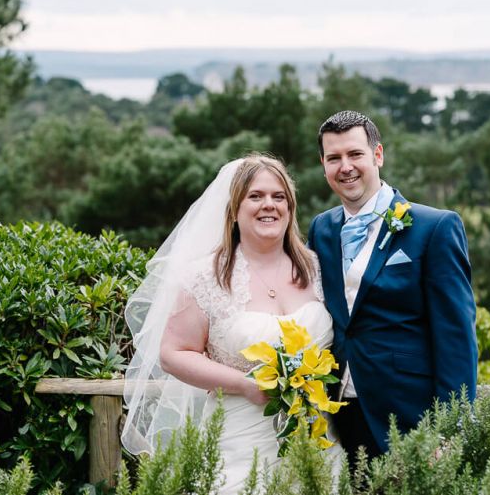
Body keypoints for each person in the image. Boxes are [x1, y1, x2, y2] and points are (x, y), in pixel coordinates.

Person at [122, 154, 341, 494]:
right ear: (234, 209)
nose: (268, 205)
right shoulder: (204, 276)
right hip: (240, 442)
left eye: (278, 196)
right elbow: (173, 353)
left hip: (317, 437)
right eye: (255, 196)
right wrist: (244, 384)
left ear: (290, 207)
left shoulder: (316, 267)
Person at [307, 110, 478, 463]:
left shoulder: (435, 227)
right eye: (334, 158)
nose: (346, 167)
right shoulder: (321, 229)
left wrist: (449, 428)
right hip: (338, 415)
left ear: (378, 155)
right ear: (323, 164)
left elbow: (456, 336)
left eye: (355, 154)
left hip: (411, 415)